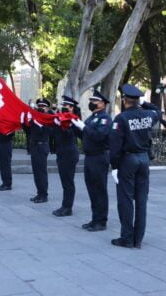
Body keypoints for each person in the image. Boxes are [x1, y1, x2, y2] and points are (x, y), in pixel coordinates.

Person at [109, 84, 161, 249]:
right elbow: (158, 112)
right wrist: (144, 103)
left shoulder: (121, 118)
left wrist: (115, 167)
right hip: (144, 160)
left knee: (125, 200)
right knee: (141, 200)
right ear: (138, 100)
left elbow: (115, 145)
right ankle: (138, 239)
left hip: (128, 161)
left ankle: (126, 238)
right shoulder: (148, 115)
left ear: (125, 101)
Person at [72, 90, 112, 231]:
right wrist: (75, 126)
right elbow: (85, 136)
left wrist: (84, 127)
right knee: (92, 189)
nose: (92, 103)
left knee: (99, 189)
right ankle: (95, 218)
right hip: (89, 157)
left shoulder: (105, 119)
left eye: (94, 101)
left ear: (102, 104)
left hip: (99, 157)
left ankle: (101, 221)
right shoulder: (91, 118)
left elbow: (99, 136)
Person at [51, 96, 82, 217]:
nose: (64, 107)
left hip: (69, 153)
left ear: (72, 108)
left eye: (67, 106)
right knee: (65, 181)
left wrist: (63, 126)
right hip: (62, 152)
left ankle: (67, 207)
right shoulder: (62, 118)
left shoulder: (74, 120)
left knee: (68, 181)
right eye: (64, 105)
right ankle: (65, 205)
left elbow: (72, 134)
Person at [26, 98, 53, 203]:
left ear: (47, 108)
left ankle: (44, 195)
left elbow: (49, 132)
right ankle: (39, 193)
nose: (41, 108)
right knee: (36, 172)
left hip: (42, 146)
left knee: (41, 172)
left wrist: (40, 124)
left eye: (43, 106)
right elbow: (29, 131)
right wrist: (25, 121)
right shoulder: (35, 118)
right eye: (40, 106)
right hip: (34, 146)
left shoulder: (48, 119)